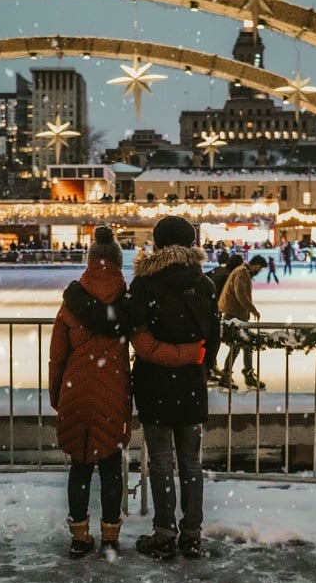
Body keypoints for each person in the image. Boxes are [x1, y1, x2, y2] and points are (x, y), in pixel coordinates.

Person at [48, 225, 205, 560]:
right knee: (119, 466)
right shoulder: (138, 296)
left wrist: (56, 395)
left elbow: (57, 356)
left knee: (82, 466)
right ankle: (119, 535)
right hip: (128, 391)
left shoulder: (84, 303)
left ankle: (81, 536)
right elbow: (147, 344)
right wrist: (196, 356)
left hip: (87, 392)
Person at [125, 216, 221, 560]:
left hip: (155, 382)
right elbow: (213, 337)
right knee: (191, 464)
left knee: (162, 463)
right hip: (192, 384)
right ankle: (192, 533)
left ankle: (164, 533)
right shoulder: (204, 284)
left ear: (158, 243)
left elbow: (131, 326)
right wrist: (198, 365)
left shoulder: (145, 283)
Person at [218, 254, 268, 391]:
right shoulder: (242, 272)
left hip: (236, 315)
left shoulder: (241, 271)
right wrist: (252, 309)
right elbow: (240, 293)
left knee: (244, 346)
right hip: (234, 316)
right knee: (238, 346)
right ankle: (229, 375)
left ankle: (242, 374)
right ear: (256, 265)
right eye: (260, 268)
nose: (259, 271)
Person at [205, 253, 244, 383]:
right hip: (212, 310)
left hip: (208, 308)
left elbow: (204, 277)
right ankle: (210, 368)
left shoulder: (219, 270)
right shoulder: (228, 275)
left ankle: (211, 367)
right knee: (214, 340)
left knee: (211, 340)